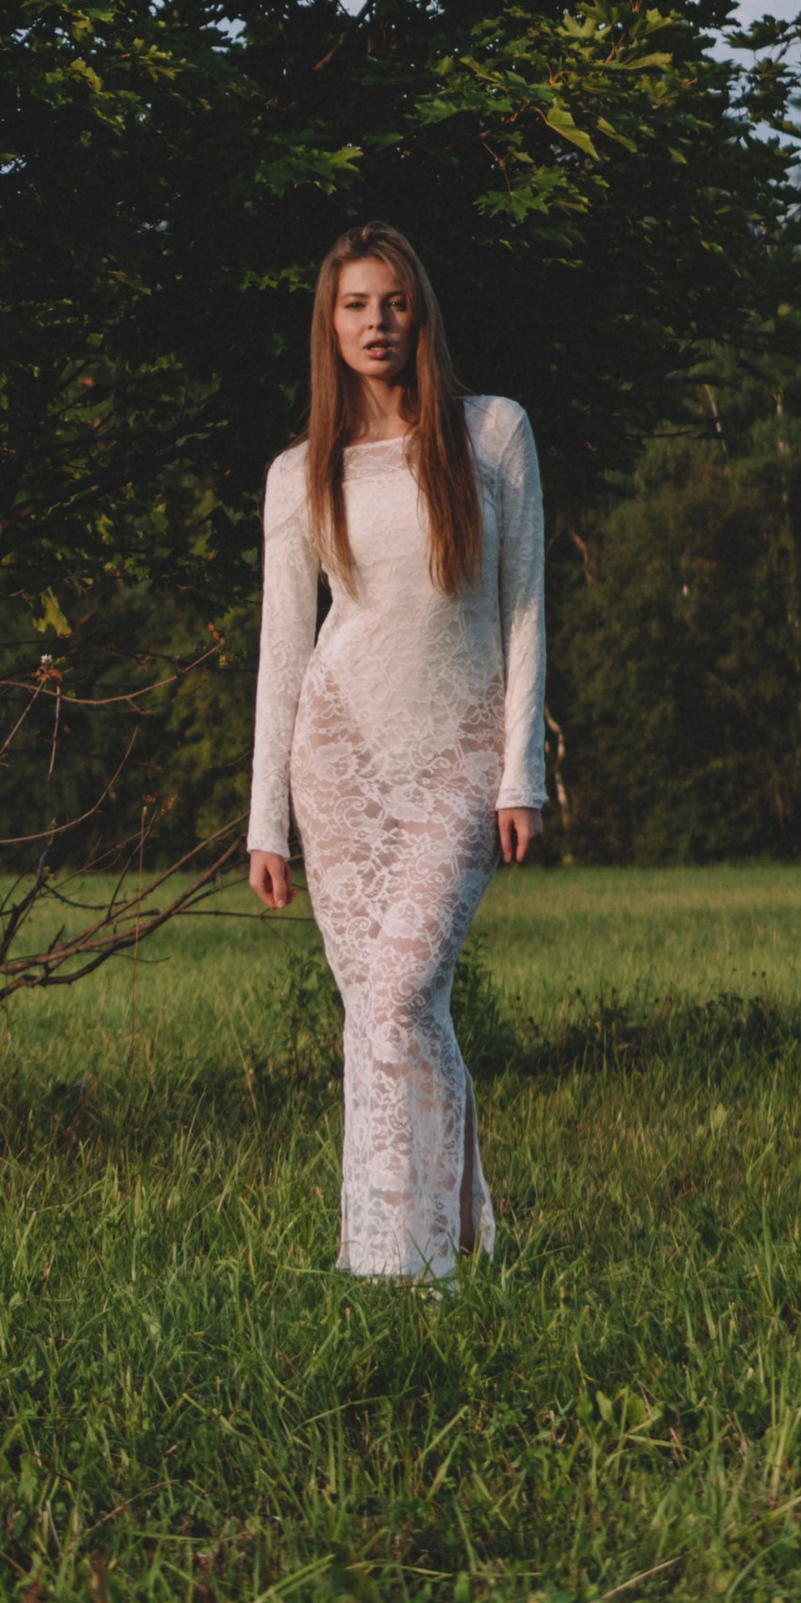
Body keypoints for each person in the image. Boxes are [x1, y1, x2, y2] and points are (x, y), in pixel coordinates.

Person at [245, 223, 546, 1280]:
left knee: (402, 994)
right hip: (337, 763)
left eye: (393, 303)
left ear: (421, 315)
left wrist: (522, 775)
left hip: (456, 757)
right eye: (354, 306)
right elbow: (284, 649)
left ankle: (425, 1249)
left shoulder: (493, 432)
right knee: (372, 1015)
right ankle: (399, 1255)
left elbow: (523, 615)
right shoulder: (299, 472)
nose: (376, 323)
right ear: (328, 326)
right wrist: (262, 822)